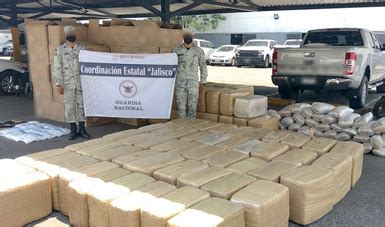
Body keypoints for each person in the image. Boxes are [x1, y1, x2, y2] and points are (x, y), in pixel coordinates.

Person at [53, 25, 90, 140]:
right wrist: (58, 84)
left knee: (81, 106)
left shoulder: (82, 49)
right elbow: (57, 67)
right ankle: (73, 130)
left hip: (81, 83)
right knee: (69, 107)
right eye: (69, 35)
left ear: (75, 35)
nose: (71, 36)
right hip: (68, 84)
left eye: (73, 35)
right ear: (66, 36)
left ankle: (82, 129)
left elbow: (88, 65)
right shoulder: (60, 50)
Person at [172, 32, 208, 118]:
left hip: (193, 84)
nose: (188, 37)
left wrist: (203, 82)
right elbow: (171, 65)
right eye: (186, 36)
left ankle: (190, 128)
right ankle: (182, 129)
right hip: (180, 83)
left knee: (192, 109)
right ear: (183, 37)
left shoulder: (199, 51)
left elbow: (203, 66)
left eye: (189, 36)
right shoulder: (176, 50)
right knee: (181, 109)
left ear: (193, 37)